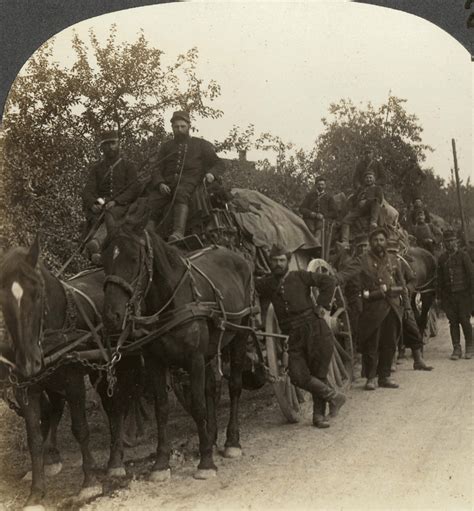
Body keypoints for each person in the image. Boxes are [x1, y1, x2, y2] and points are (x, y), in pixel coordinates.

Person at [255, 244, 346, 428]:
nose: (278, 264)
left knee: (318, 373)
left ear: (288, 262)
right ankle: (334, 396)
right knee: (297, 376)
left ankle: (318, 417)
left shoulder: (301, 276)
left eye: (282, 260)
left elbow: (329, 282)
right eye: (274, 261)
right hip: (293, 336)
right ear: (271, 263)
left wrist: (322, 305)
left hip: (315, 329)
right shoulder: (267, 283)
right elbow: (250, 284)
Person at [337, 227, 405, 390]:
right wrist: (336, 278)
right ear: (370, 243)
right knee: (371, 344)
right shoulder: (362, 260)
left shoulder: (393, 260)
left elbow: (401, 283)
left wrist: (406, 307)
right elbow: (347, 272)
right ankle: (371, 378)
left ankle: (385, 376)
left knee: (389, 343)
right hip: (373, 307)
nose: (379, 243)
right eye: (375, 240)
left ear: (386, 242)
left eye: (381, 240)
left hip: (392, 306)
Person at [148, 111, 225, 241]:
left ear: (189, 126)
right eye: (176, 127)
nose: (179, 129)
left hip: (191, 182)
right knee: (151, 200)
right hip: (167, 183)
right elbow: (156, 168)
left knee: (181, 192)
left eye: (182, 126)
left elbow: (219, 163)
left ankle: (178, 233)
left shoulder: (201, 144)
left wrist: (212, 173)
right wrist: (160, 183)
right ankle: (149, 234)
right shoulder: (167, 147)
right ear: (172, 128)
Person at [82, 130, 141, 263]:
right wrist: (93, 203)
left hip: (123, 206)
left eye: (113, 143)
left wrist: (116, 201)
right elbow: (88, 190)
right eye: (106, 144)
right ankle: (94, 253)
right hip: (102, 205)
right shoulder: (97, 169)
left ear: (118, 144)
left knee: (111, 214)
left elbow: (134, 188)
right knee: (95, 219)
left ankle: (97, 245)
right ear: (102, 147)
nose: (110, 147)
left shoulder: (128, 166)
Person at [386, 237, 433, 371]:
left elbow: (413, 280)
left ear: (398, 252)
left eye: (394, 252)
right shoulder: (382, 264)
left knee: (412, 327)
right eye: (389, 252)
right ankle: (392, 361)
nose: (392, 255)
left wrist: (408, 288)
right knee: (391, 332)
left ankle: (418, 360)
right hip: (389, 303)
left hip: (405, 301)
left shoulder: (402, 264)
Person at [437, 229, 474, 360]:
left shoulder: (463, 256)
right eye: (447, 241)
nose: (450, 243)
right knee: (453, 322)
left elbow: (471, 276)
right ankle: (456, 348)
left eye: (452, 241)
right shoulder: (442, 259)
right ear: (444, 243)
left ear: (456, 242)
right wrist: (440, 297)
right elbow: (439, 280)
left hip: (464, 295)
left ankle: (470, 346)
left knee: (465, 320)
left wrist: (472, 295)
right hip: (449, 297)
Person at [341, 169, 384, 246]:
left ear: (374, 179)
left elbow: (379, 199)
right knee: (346, 220)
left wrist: (366, 201)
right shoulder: (361, 189)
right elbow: (353, 199)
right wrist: (351, 207)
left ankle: (373, 222)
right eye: (367, 178)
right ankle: (345, 241)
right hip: (359, 209)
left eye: (370, 178)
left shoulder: (377, 188)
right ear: (364, 180)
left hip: (371, 208)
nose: (369, 180)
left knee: (375, 202)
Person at [299, 176, 338, 242]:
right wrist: (310, 213)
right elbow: (301, 208)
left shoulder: (329, 197)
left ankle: (316, 246)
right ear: (316, 185)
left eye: (322, 184)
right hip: (310, 219)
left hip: (322, 220)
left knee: (320, 229)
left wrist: (324, 216)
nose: (320, 186)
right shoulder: (310, 195)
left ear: (325, 185)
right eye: (319, 184)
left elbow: (334, 212)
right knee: (309, 229)